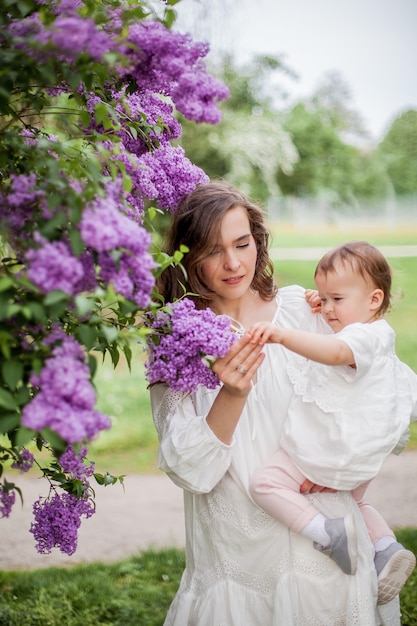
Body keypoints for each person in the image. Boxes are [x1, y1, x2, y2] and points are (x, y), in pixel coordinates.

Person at [150, 180, 408, 625]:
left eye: (242, 243)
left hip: (327, 553)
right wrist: (231, 393)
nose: (233, 263)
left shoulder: (306, 311)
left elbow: (385, 393)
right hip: (235, 554)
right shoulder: (178, 344)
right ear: (187, 257)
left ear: (258, 241)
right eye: (212, 251)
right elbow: (191, 470)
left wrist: (345, 462)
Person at [247, 241, 417, 605]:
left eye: (336, 299)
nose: (326, 309)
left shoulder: (364, 336)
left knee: (266, 483)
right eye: (324, 299)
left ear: (373, 300)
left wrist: (282, 334)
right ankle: (385, 548)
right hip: (364, 452)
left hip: (335, 446)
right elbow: (336, 327)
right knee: (357, 502)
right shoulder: (375, 332)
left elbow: (337, 351)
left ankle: (327, 533)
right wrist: (323, 302)